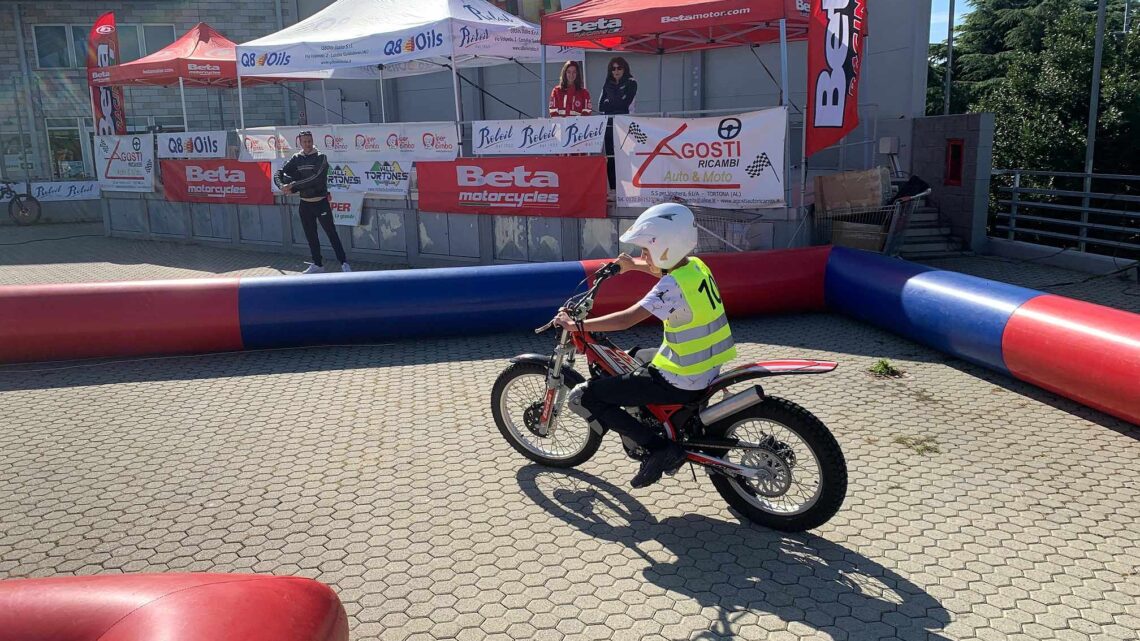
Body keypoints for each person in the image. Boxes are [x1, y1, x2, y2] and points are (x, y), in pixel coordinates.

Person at [554, 203, 736, 489]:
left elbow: (627, 319)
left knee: (588, 397)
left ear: (666, 249)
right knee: (637, 355)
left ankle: (659, 449)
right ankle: (663, 421)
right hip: (709, 365)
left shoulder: (669, 287)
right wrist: (633, 266)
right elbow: (668, 274)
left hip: (682, 377)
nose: (642, 255)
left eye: (646, 251)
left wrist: (576, 326)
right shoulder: (696, 267)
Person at [276, 131, 350, 274]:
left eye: (309, 141)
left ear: (312, 141)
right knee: (311, 235)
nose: (307, 144)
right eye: (304, 142)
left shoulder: (321, 157)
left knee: (331, 234)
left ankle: (344, 263)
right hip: (305, 204)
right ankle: (318, 264)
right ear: (300, 143)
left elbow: (315, 179)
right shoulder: (296, 158)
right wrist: (282, 186)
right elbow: (278, 173)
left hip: (320, 202)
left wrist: (293, 185)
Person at [597, 56, 637, 190]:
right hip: (609, 125)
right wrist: (615, 102)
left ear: (624, 68)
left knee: (625, 157)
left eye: (619, 68)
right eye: (613, 69)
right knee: (611, 158)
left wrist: (612, 102)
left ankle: (627, 188)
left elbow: (625, 104)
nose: (616, 71)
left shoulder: (631, 82)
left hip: (624, 125)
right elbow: (601, 106)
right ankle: (614, 189)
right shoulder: (606, 84)